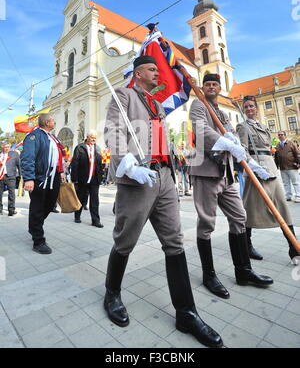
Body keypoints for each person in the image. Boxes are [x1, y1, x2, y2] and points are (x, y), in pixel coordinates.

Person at [103, 55, 223, 348]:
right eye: (152, 69)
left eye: (158, 69)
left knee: (175, 242)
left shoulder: (156, 104)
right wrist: (127, 163)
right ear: (138, 72)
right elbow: (113, 130)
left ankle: (186, 312)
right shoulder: (124, 95)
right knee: (125, 240)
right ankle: (112, 293)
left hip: (165, 178)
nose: (158, 73)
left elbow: (160, 139)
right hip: (138, 179)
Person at [189, 74, 273, 300]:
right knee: (207, 222)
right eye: (208, 84)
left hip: (227, 173)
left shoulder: (223, 112)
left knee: (239, 217)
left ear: (219, 87)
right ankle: (209, 275)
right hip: (206, 171)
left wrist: (251, 161)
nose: (212, 87)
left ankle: (243, 271)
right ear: (203, 87)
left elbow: (234, 138)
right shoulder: (198, 104)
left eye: (215, 84)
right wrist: (226, 141)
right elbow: (201, 131)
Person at [237, 108, 299, 263]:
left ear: (256, 108)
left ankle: (294, 248)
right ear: (244, 109)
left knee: (282, 206)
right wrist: (255, 167)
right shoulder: (243, 126)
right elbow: (242, 151)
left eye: (252, 105)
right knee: (249, 209)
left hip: (270, 168)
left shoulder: (263, 126)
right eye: (246, 106)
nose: (250, 108)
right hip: (255, 169)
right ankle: (246, 245)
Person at [21, 113, 65, 254]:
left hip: (54, 177)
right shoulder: (34, 136)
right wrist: (29, 178)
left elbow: (59, 156)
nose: (54, 122)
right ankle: (38, 241)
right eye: (53, 120)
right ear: (46, 122)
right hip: (40, 178)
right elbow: (28, 157)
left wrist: (61, 171)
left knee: (50, 204)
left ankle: (34, 226)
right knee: (38, 207)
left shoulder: (52, 137)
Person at [71, 130, 104, 228]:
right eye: (92, 137)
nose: (94, 139)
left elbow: (100, 164)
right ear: (87, 137)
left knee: (94, 201)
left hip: (94, 179)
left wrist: (100, 177)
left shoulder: (97, 148)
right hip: (82, 178)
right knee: (80, 198)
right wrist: (74, 179)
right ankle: (77, 216)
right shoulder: (80, 147)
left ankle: (96, 221)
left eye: (95, 138)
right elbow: (75, 163)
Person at [275, 131, 300, 203]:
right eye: (279, 135)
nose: (280, 136)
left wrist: (299, 163)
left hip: (292, 166)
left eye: (281, 135)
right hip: (283, 167)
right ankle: (288, 196)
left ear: (285, 136)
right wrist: (277, 166)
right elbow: (276, 157)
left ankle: (298, 196)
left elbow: (297, 153)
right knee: (285, 183)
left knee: (296, 182)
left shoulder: (291, 143)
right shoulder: (277, 146)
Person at [0, 143, 21, 216]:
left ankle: (11, 210)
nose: (7, 148)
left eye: (8, 147)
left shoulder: (14, 154)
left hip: (11, 176)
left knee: (11, 194)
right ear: (2, 147)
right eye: (5, 147)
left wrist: (21, 176)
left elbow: (19, 165)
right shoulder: (0, 155)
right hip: (1, 177)